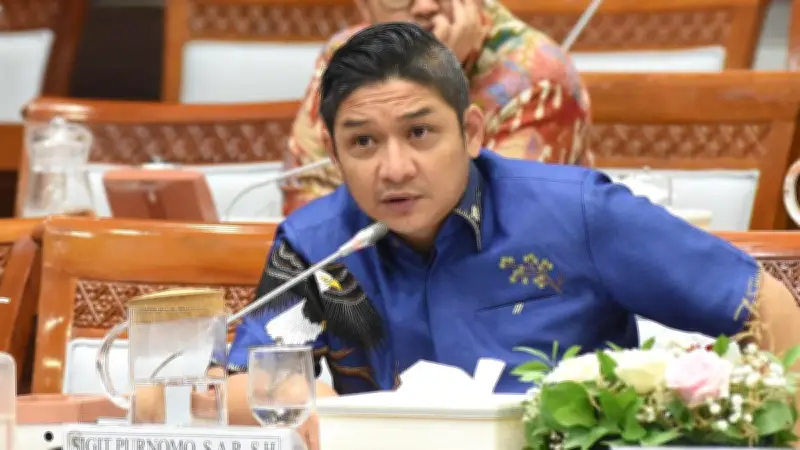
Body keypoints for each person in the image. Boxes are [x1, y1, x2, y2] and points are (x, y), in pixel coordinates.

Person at [223, 21, 800, 435]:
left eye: (420, 133)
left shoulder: (578, 212)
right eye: (364, 142)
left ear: (472, 133)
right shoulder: (317, 245)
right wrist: (319, 408)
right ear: (333, 153)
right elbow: (235, 384)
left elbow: (763, 304)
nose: (394, 168)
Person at [282, 0, 593, 214]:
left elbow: (497, 227)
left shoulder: (537, 75)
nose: (425, 6)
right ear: (364, 6)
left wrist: (440, 80)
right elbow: (306, 198)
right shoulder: (344, 55)